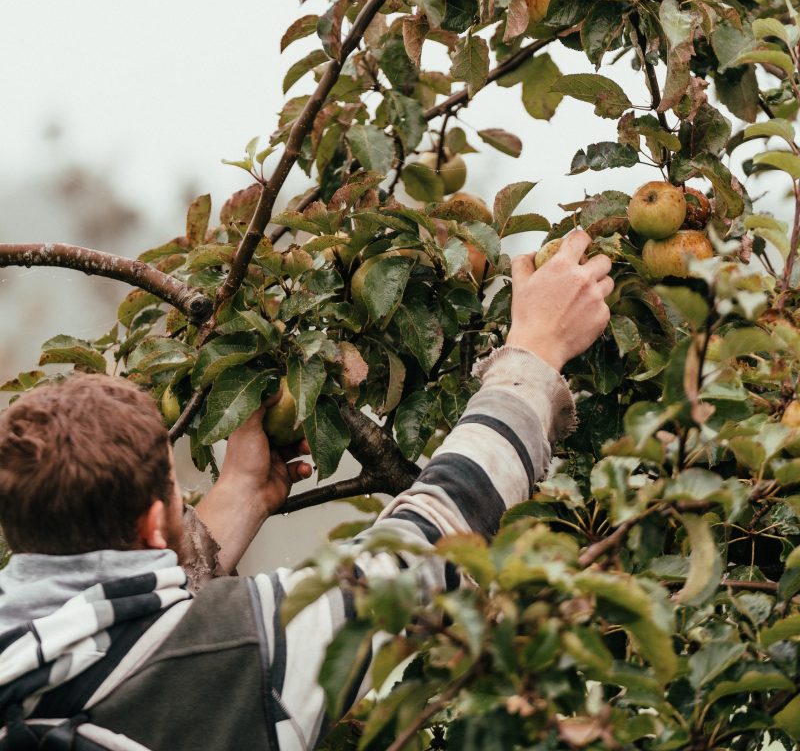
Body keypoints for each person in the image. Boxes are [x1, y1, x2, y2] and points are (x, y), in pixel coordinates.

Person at [0, 231, 612, 750]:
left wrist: (239, 493)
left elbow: (113, 614)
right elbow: (430, 542)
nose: (189, 499)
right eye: (177, 490)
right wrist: (536, 350)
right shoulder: (239, 658)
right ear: (153, 526)